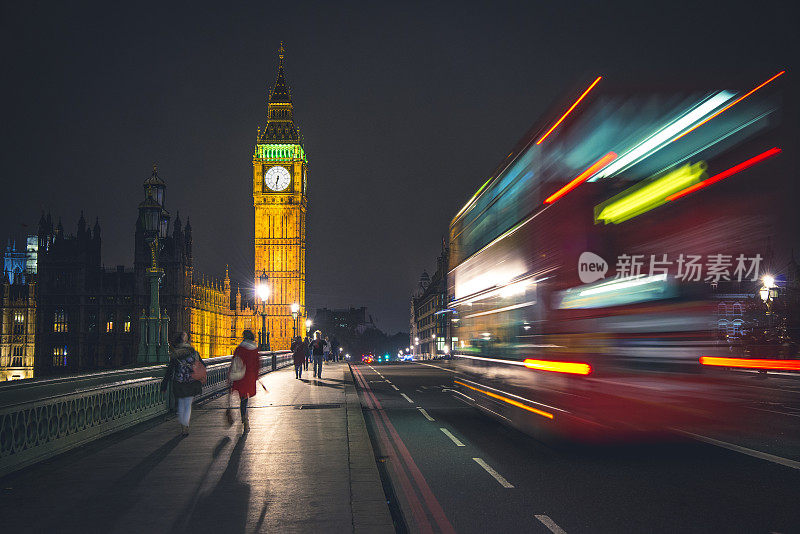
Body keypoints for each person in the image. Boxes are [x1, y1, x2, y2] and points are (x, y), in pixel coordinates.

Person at [161, 331, 205, 436]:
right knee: (188, 404)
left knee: (181, 404)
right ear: (188, 341)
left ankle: (183, 425)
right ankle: (186, 425)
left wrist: (164, 384)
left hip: (179, 382)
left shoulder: (175, 353)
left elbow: (170, 370)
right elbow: (203, 365)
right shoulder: (193, 352)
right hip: (191, 382)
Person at [230, 330, 260, 432]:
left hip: (240, 377)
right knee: (245, 399)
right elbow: (257, 365)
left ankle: (244, 419)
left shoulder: (239, 349)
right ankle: (245, 420)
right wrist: (256, 377)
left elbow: (234, 363)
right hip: (250, 378)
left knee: (242, 399)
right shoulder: (254, 349)